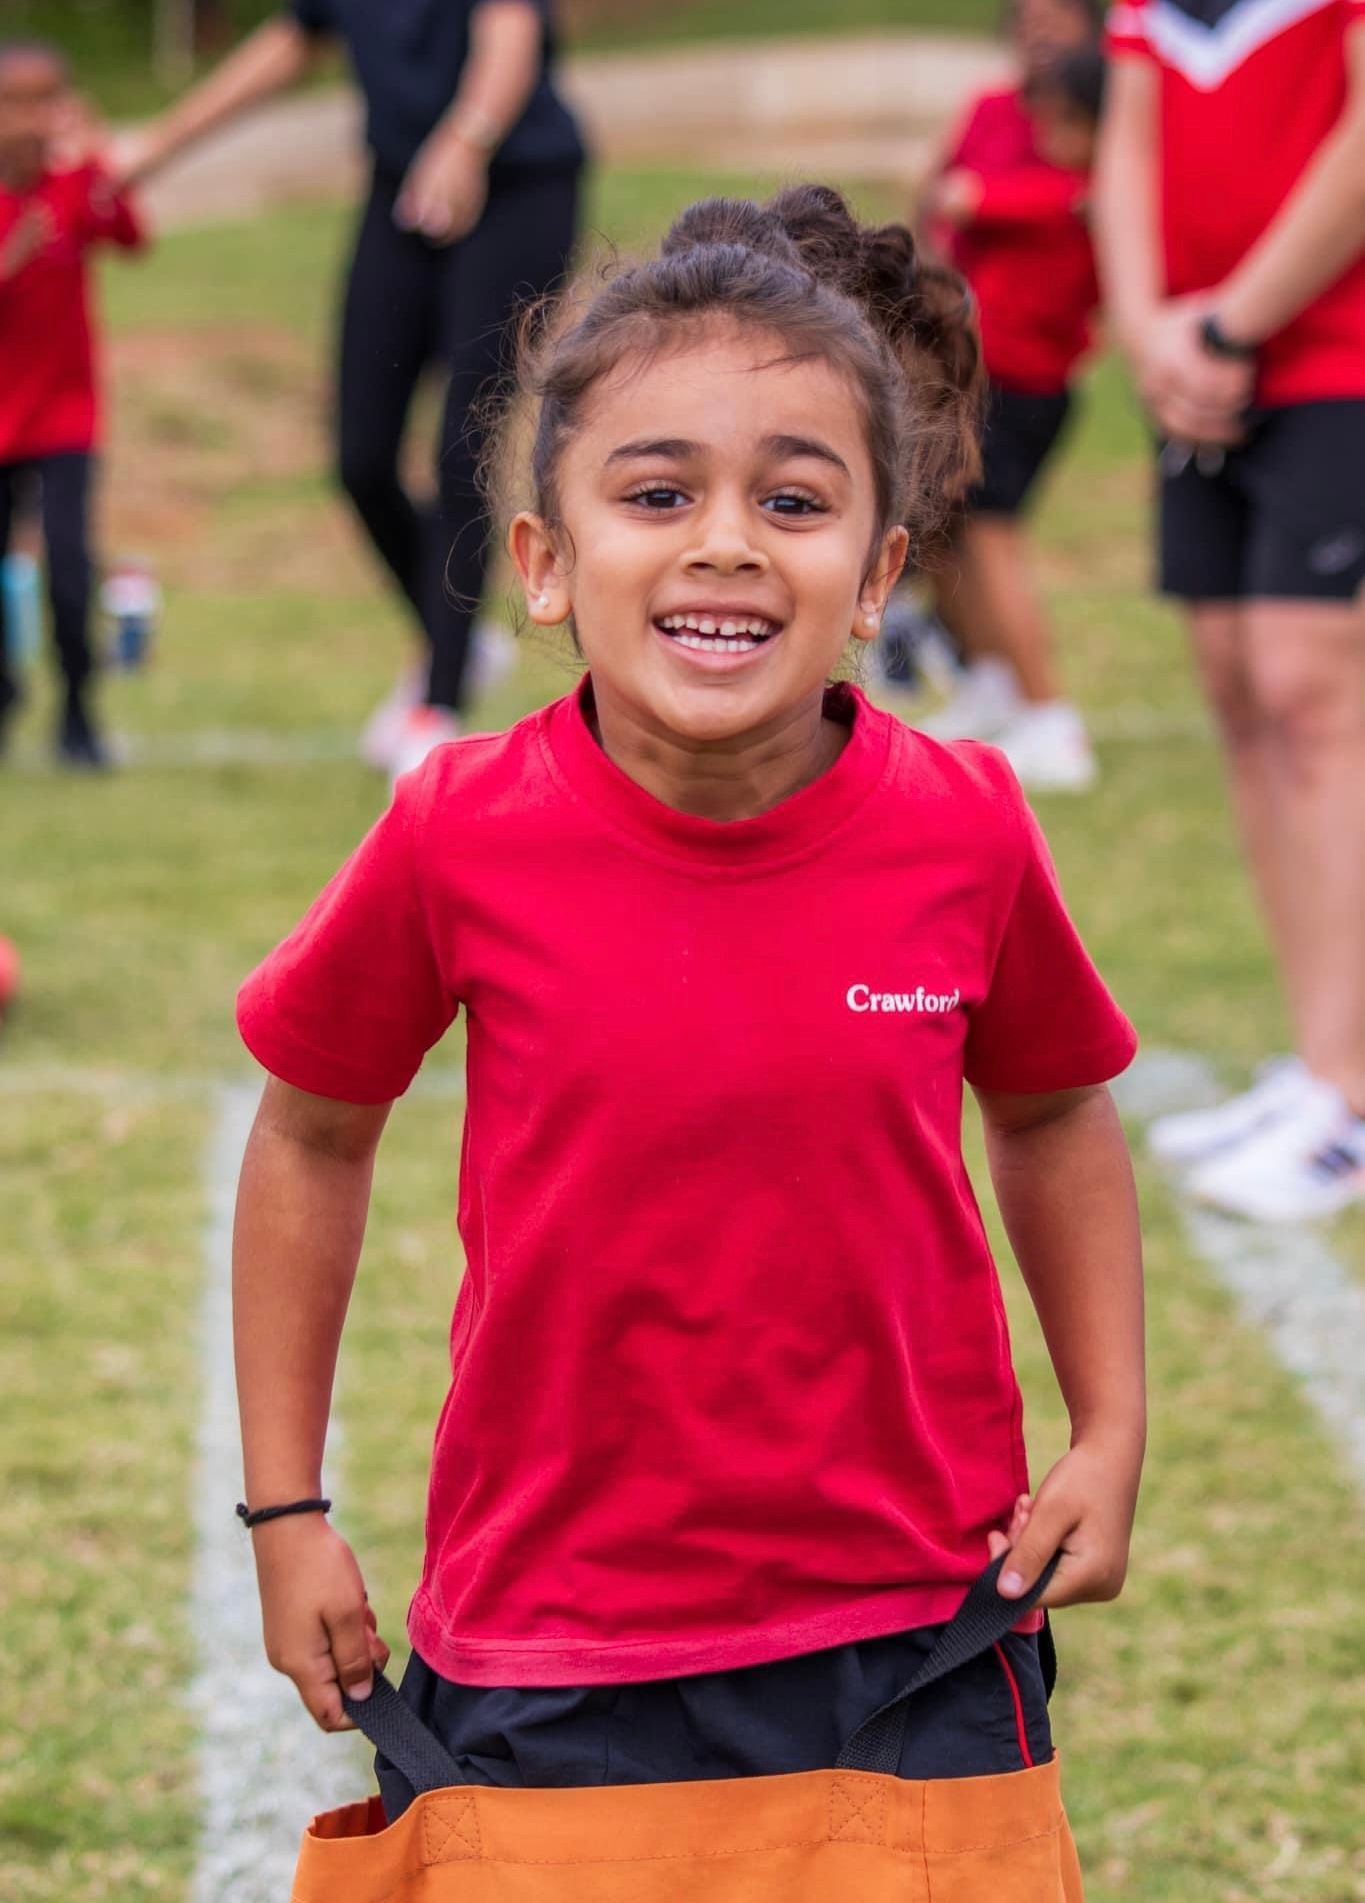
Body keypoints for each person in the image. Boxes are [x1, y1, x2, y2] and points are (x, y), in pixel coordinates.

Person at [230, 185, 1145, 1874]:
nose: (726, 541)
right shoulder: (455, 829)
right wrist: (286, 1512)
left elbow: (1055, 1109)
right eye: (659, 494)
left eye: (791, 501)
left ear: (875, 573)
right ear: (548, 560)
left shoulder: (969, 824)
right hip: (546, 1637)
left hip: (918, 1631)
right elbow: (308, 1126)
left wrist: (1112, 1421)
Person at [121, 1, 586, 780]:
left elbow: (511, 28)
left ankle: (435, 708)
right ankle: (458, 640)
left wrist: (466, 139)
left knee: (459, 451)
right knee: (360, 458)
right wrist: (158, 146)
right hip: (402, 188)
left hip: (518, 187)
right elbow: (290, 41)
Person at [1096, 0, 1365, 1219]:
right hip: (1195, 370)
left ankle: (1353, 1096)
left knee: (1312, 692)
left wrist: (1227, 320)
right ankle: (1321, 1066)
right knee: (1238, 690)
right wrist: (1153, 330)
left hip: (1332, 360)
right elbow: (1130, 145)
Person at [918, 0, 1104, 792]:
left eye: (1055, 19)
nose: (1036, 32)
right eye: (1025, 18)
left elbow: (1078, 191)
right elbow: (939, 195)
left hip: (1025, 377)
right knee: (932, 528)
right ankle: (990, 685)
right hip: (960, 368)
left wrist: (985, 199)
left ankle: (1050, 720)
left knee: (990, 534)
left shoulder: (1104, 115)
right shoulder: (994, 109)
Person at [0, 41, 146, 768]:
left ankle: (79, 714)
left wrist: (100, 168)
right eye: (16, 101)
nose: (32, 117)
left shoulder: (72, 185)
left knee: (68, 569)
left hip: (66, 417)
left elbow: (128, 236)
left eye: (46, 99)